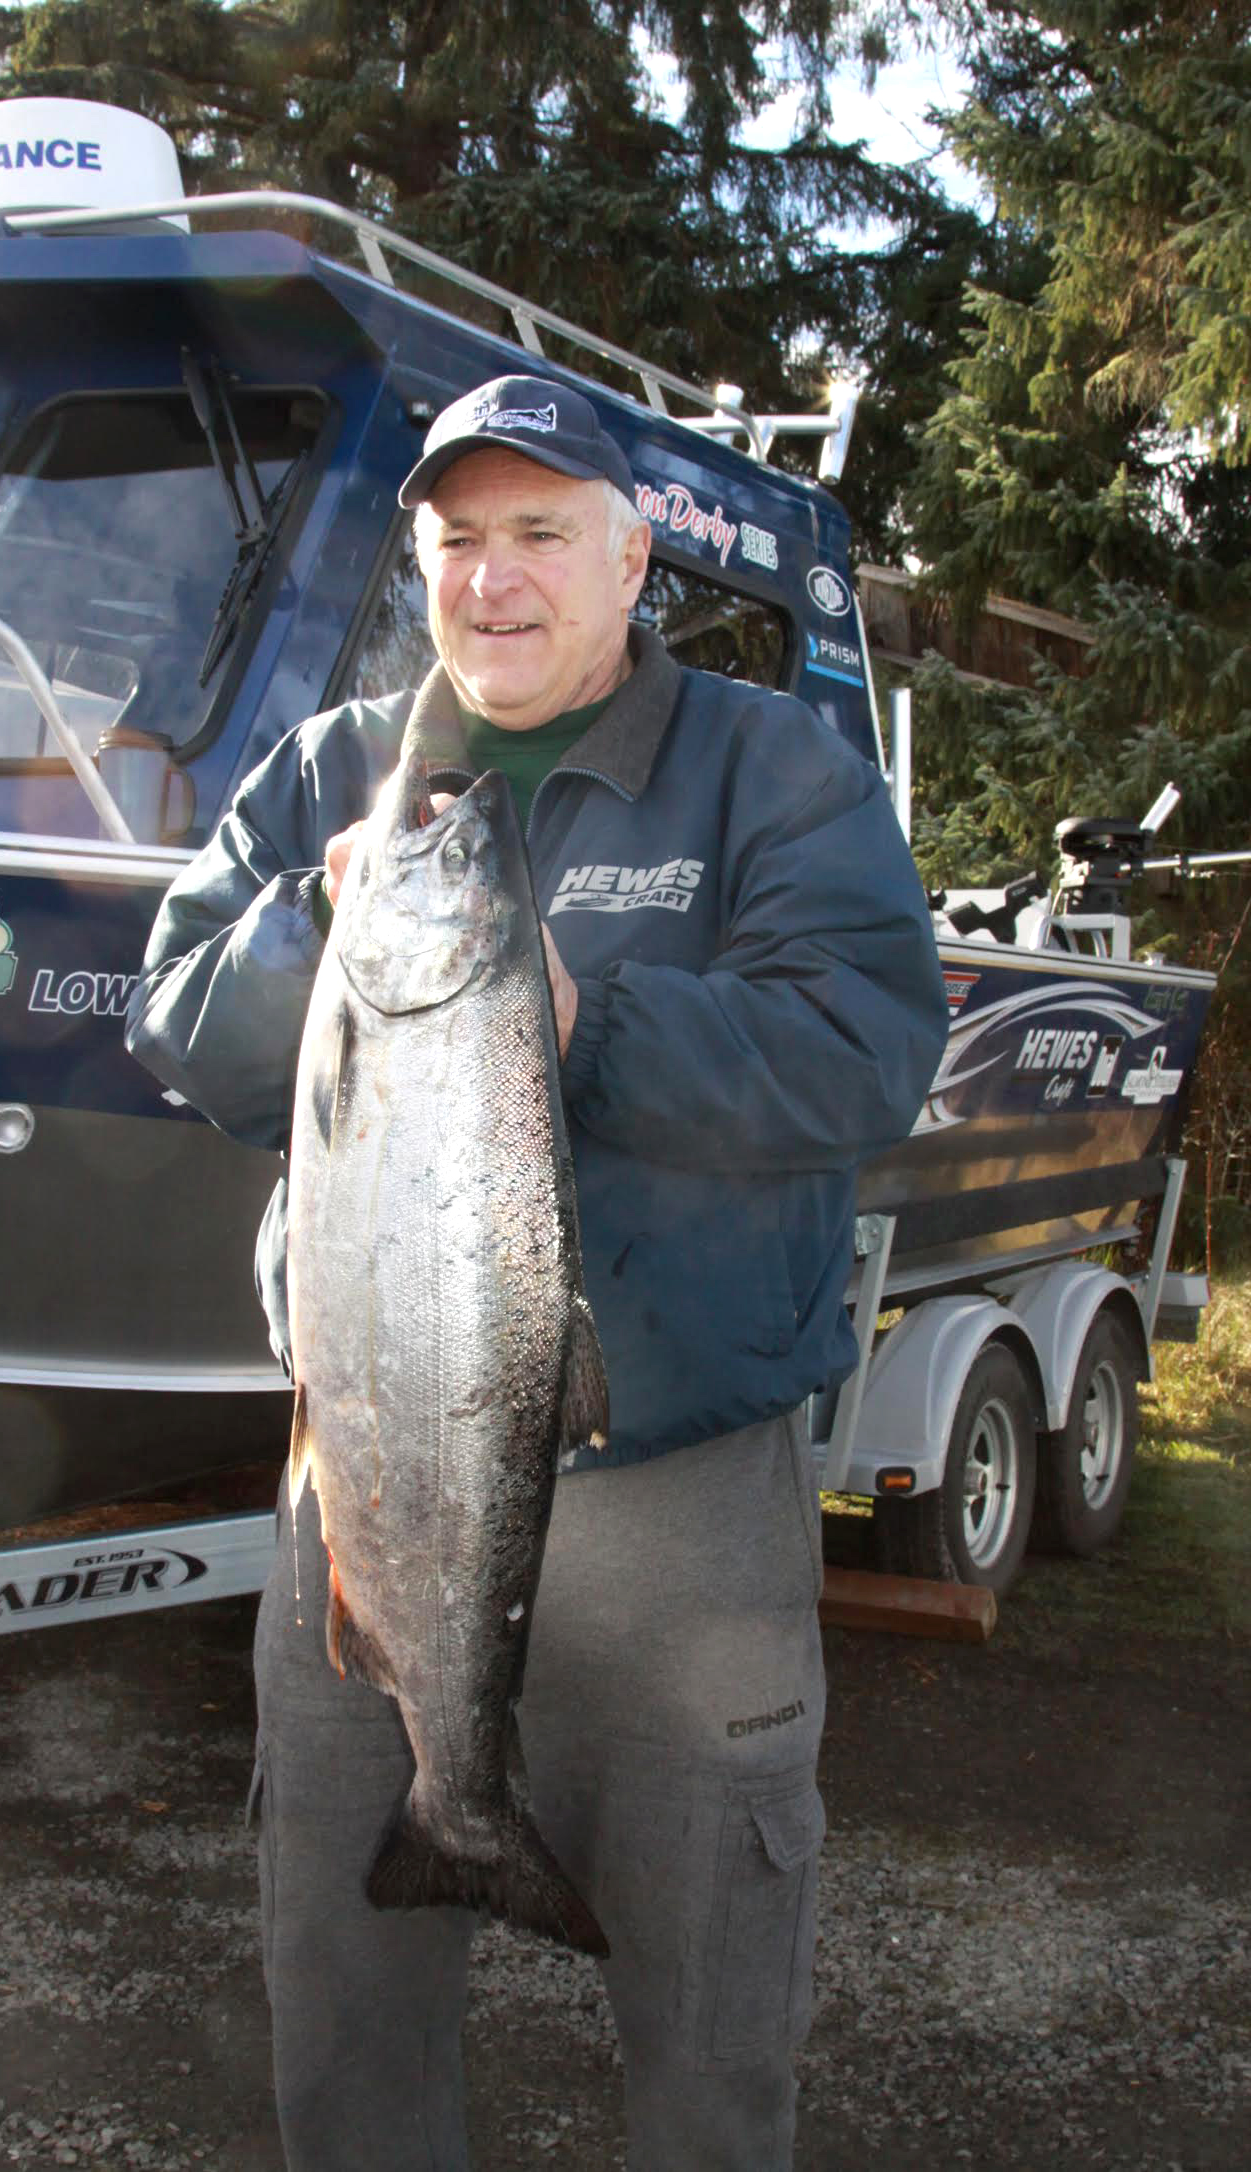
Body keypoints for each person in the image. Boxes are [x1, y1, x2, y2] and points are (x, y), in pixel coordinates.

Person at [125, 373, 948, 2170]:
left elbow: (872, 1055)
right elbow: (180, 1020)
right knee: (343, 2007)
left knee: (712, 2012)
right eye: (457, 540)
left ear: (632, 556)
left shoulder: (772, 769)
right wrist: (303, 943)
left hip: (684, 1515)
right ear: (418, 559)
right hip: (361, 1489)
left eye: (541, 535)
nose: (495, 580)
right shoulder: (332, 772)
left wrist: (590, 1020)